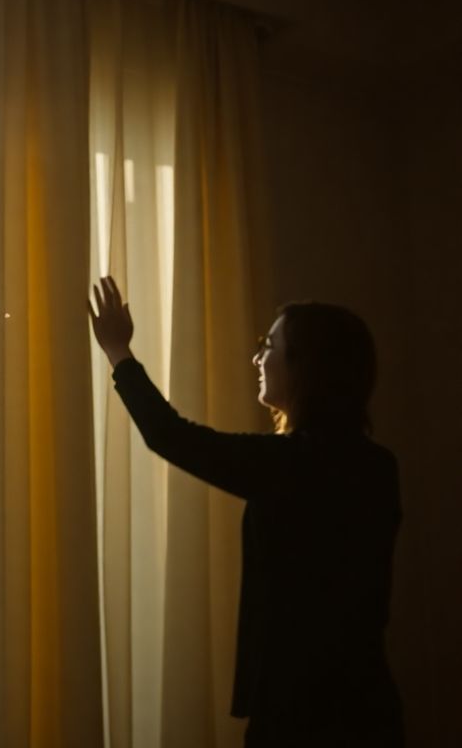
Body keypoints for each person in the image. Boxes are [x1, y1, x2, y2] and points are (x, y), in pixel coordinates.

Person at [87, 276, 404, 747]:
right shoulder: (372, 465)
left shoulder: (301, 464)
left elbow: (171, 436)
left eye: (269, 345)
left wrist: (118, 352)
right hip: (360, 703)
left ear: (306, 365)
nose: (257, 358)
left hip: (306, 715)